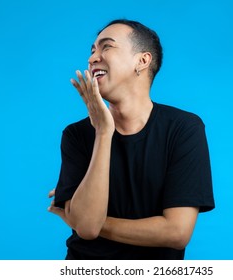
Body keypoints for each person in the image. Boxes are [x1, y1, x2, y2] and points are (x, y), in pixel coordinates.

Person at [48, 19, 215, 260]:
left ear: (142, 61)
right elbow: (86, 229)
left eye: (106, 47)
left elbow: (176, 232)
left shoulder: (183, 128)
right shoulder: (76, 135)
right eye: (92, 50)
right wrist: (103, 132)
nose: (93, 58)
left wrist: (84, 218)